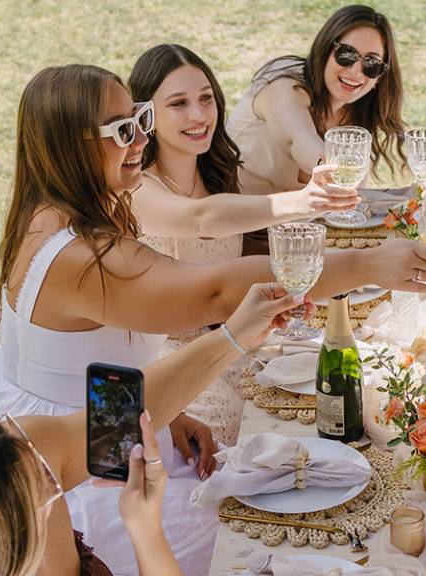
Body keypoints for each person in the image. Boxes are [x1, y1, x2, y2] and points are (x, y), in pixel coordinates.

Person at [0, 63, 426, 575]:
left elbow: (85, 361)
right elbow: (218, 290)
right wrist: (366, 264)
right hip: (79, 457)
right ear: (71, 146)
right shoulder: (80, 258)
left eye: (141, 118)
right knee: (232, 544)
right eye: (123, 130)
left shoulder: (57, 209)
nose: (141, 140)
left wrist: (168, 415)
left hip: (106, 416)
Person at [0, 283, 301, 576]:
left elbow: (118, 422)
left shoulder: (24, 457)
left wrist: (236, 334)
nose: (50, 487)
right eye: (34, 496)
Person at [127, 43, 358, 445]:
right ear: (147, 115)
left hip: (232, 340)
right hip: (170, 362)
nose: (199, 116)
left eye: (206, 99)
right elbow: (203, 220)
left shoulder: (217, 173)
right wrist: (303, 200)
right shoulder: (138, 189)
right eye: (178, 104)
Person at [227, 4, 405, 255]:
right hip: (237, 235)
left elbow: (350, 205)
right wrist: (337, 170)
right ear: (325, 50)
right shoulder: (284, 84)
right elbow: (298, 139)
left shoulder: (354, 117)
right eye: (346, 54)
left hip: (301, 241)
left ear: (379, 78)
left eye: (372, 64)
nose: (355, 71)